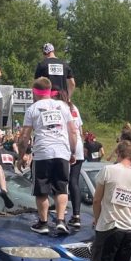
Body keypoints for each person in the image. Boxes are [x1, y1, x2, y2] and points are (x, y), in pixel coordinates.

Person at [16, 77, 78, 235]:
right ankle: (61, 220)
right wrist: (72, 151)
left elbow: (24, 137)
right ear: (50, 91)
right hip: (62, 151)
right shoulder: (63, 106)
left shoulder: (33, 109)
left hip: (43, 152)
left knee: (41, 190)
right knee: (61, 187)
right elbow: (72, 130)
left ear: (34, 92)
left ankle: (43, 223)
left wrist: (20, 156)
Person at [62, 90, 85, 229]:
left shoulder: (60, 108)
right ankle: (76, 215)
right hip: (79, 146)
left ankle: (61, 211)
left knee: (62, 180)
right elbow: (80, 130)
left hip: (67, 145)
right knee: (74, 181)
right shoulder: (74, 107)